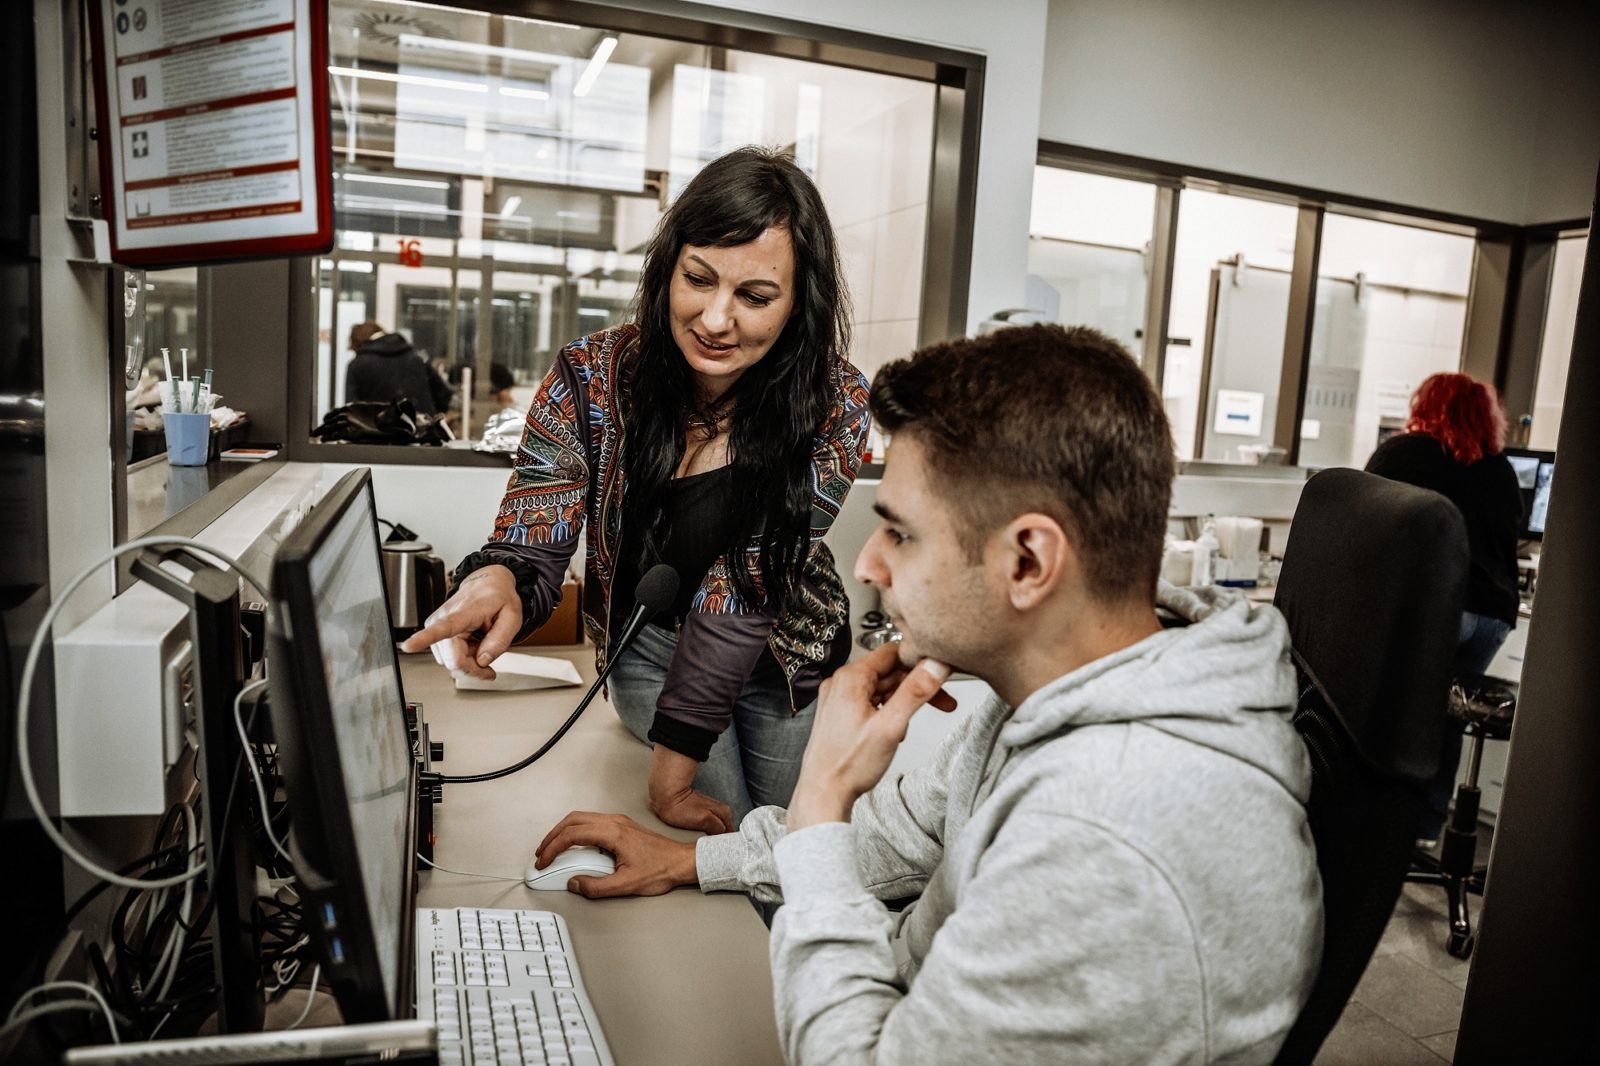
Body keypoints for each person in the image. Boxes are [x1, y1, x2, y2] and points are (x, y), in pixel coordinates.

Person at [531, 324, 1323, 1065]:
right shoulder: (1058, 696)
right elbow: (899, 843)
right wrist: (689, 861)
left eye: (900, 533)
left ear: (1027, 562)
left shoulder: (1108, 834)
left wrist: (820, 804)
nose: (868, 566)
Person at [402, 147, 870, 833]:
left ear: (799, 302)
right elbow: (537, 522)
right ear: (667, 268)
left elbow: (743, 587)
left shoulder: (836, 401)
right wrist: (499, 578)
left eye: (754, 296)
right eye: (698, 280)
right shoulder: (591, 375)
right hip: (650, 649)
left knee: (781, 844)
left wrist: (671, 775)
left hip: (784, 667)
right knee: (717, 842)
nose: (715, 319)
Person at [1365, 372, 1522, 846]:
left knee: (1396, 708)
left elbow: (1366, 523)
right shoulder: (1500, 468)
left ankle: (1382, 828)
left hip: (1437, 606)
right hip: (1492, 617)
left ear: (1425, 406)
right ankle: (1429, 826)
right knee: (1449, 711)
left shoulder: (1401, 454)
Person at [344, 321, 453, 416]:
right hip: (421, 431)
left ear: (357, 343)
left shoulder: (357, 365)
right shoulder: (416, 358)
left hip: (377, 434)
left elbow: (352, 408)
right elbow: (444, 394)